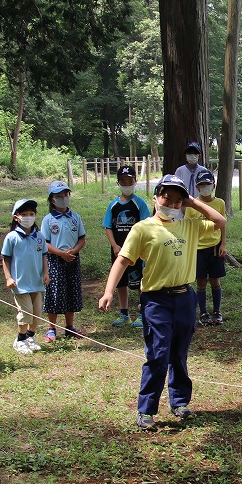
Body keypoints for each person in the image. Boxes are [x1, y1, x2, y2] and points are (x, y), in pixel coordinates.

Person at [98, 174, 226, 429]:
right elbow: (123, 260)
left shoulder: (190, 225)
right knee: (158, 354)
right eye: (167, 198)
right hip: (157, 300)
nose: (172, 204)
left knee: (179, 353)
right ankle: (146, 410)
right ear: (155, 198)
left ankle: (179, 402)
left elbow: (220, 221)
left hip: (185, 297)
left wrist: (191, 202)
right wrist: (108, 291)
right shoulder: (143, 228)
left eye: (178, 200)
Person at [102, 164, 150, 328]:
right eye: (123, 181)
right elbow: (108, 226)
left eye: (130, 181)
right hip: (118, 251)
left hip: (137, 251)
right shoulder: (113, 205)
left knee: (139, 281)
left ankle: (143, 314)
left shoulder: (139, 203)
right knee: (121, 282)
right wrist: (115, 246)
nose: (127, 184)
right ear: (118, 183)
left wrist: (140, 248)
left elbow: (145, 226)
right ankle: (124, 313)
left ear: (135, 182)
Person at [1, 198, 49, 354]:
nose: (29, 217)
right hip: (20, 283)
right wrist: (8, 278)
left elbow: (44, 256)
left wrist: (46, 273)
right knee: (26, 312)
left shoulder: (39, 236)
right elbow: (5, 259)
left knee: (37, 313)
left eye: (31, 214)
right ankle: (20, 340)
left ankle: (30, 337)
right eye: (24, 214)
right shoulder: (12, 237)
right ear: (16, 217)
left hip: (37, 282)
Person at [41, 180, 85, 341]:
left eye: (66, 195)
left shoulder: (75, 217)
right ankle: (51, 328)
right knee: (54, 292)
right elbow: (45, 243)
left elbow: (82, 239)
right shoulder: (48, 220)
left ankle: (69, 326)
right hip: (55, 260)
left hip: (72, 258)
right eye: (59, 196)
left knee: (71, 291)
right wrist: (61, 253)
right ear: (52, 200)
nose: (63, 198)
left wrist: (73, 251)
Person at [187, 169, 228, 325]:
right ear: (197, 187)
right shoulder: (192, 205)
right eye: (202, 185)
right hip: (198, 248)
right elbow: (188, 228)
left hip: (215, 247)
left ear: (213, 185)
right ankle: (203, 313)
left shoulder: (220, 203)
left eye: (208, 184)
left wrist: (223, 244)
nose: (205, 187)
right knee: (201, 282)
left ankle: (217, 312)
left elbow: (223, 225)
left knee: (215, 281)